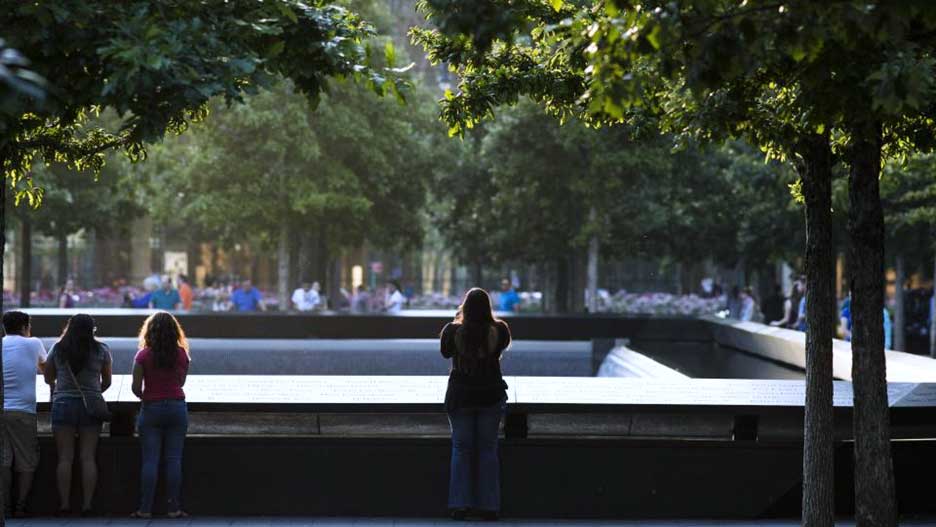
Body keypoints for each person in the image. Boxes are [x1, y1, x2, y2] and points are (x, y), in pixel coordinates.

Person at [439, 288, 511, 520]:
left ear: (465, 307)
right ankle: (489, 507)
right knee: (488, 449)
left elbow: (445, 352)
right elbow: (500, 349)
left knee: (461, 449)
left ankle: (460, 505)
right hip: (490, 396)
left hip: (461, 397)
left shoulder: (452, 331)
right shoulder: (499, 330)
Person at [43, 314, 113, 516]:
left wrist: (58, 386)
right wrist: (93, 392)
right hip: (90, 406)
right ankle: (87, 505)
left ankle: (64, 504)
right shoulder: (101, 349)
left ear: (69, 327)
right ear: (92, 329)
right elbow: (107, 381)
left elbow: (48, 376)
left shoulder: (58, 348)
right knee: (88, 457)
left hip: (63, 403)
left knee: (65, 458)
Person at [130, 312, 191, 519]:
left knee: (150, 460)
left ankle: (145, 509)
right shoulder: (182, 354)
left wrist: (147, 396)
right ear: (175, 331)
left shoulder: (143, 355)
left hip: (151, 409)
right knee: (174, 460)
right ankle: (173, 508)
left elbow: (136, 388)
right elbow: (181, 383)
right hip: (176, 408)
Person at [2, 311, 48, 517]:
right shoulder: (33, 343)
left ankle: (4, 508)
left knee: (3, 461)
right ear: (24, 327)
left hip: (2, 408)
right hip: (23, 411)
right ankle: (20, 506)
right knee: (26, 461)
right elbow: (47, 372)